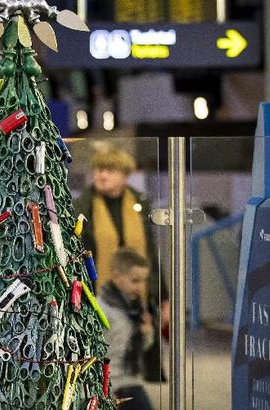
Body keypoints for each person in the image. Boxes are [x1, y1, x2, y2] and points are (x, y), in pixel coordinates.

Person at [74, 146, 169, 380]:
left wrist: (163, 298)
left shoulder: (139, 204)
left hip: (136, 299)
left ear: (125, 175)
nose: (101, 175)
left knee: (134, 365)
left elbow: (149, 254)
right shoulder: (83, 207)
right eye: (98, 169)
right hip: (99, 297)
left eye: (109, 170)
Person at [98, 248, 155, 410]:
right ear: (116, 276)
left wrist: (147, 332)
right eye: (135, 281)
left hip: (131, 380)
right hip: (109, 383)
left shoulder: (135, 307)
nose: (140, 287)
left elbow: (141, 346)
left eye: (144, 281)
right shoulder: (101, 308)